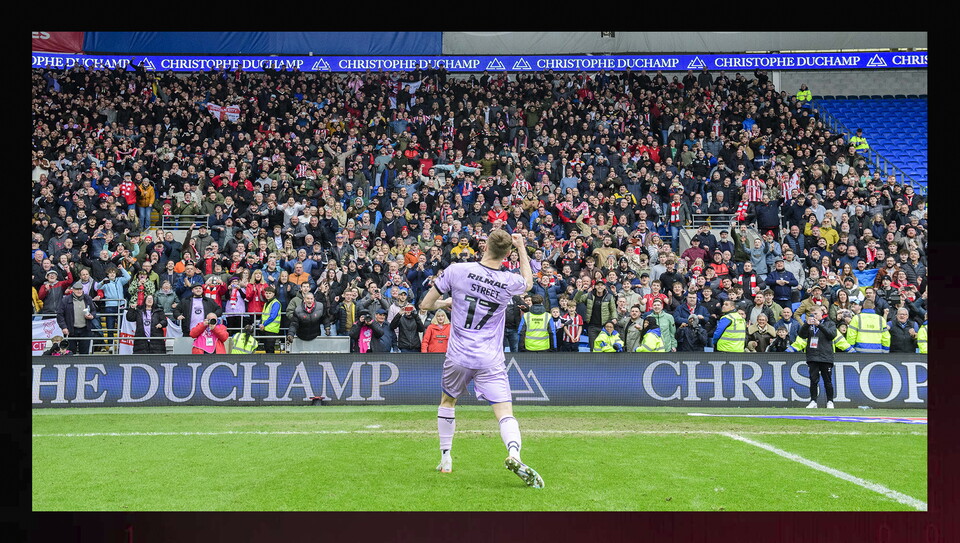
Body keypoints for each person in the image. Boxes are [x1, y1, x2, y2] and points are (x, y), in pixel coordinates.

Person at [419, 230, 543, 488]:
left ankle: (446, 458)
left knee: (448, 401)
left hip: (459, 355)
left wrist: (447, 303)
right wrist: (522, 247)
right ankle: (514, 454)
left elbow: (425, 305)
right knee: (504, 412)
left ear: (484, 245)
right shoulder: (509, 281)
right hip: (490, 358)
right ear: (507, 253)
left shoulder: (456, 270)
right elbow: (529, 282)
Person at [794, 307, 839, 409]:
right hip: (813, 356)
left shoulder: (829, 323)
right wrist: (806, 324)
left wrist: (820, 325)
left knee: (827, 380)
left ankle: (830, 401)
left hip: (825, 356)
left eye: (815, 313)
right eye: (812, 314)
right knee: (813, 380)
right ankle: (813, 401)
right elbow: (801, 335)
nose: (813, 316)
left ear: (821, 313)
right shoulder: (809, 325)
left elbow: (832, 335)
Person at [57, 282, 97, 355]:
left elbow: (94, 310)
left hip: (85, 329)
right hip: (71, 330)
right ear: (73, 290)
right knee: (70, 352)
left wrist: (92, 316)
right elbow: (60, 315)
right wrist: (64, 327)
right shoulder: (66, 300)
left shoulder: (88, 298)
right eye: (77, 289)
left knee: (84, 353)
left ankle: (84, 365)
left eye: (80, 289)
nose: (79, 291)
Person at [259, 286, 282, 353]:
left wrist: (263, 324)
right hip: (266, 329)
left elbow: (273, 316)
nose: (267, 295)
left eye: (269, 293)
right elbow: (263, 316)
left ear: (273, 294)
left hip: (272, 329)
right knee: (267, 348)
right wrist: (260, 324)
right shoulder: (266, 303)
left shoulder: (276, 303)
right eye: (266, 293)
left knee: (270, 348)